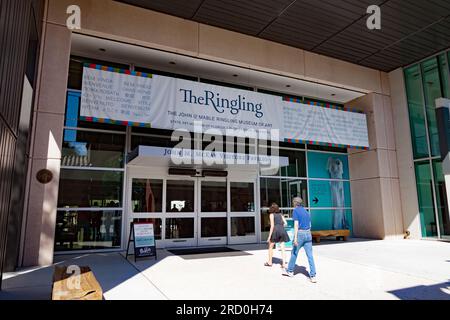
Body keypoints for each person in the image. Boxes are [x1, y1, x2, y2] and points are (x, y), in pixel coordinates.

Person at [283, 197, 317, 283]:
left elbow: (296, 225)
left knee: (294, 252)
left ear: (295, 203)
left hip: (300, 234)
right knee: (310, 255)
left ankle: (290, 271)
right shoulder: (306, 211)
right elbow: (310, 224)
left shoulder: (295, 211)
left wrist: (295, 238)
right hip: (308, 233)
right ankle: (313, 276)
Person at [264, 203, 290, 267]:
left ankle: (270, 262)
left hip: (275, 230)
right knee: (282, 247)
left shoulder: (271, 215)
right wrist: (280, 226)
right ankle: (283, 263)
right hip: (282, 230)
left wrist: (269, 236)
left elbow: (272, 226)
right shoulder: (280, 214)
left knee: (270, 247)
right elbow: (286, 223)